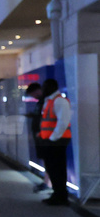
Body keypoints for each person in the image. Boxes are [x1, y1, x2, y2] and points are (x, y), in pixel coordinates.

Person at [38, 78, 72, 206]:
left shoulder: (59, 101)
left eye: (44, 87)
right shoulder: (50, 101)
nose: (43, 90)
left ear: (51, 87)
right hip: (51, 140)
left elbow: (62, 123)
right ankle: (57, 194)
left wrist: (52, 139)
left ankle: (61, 196)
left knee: (57, 169)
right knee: (52, 169)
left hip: (57, 141)